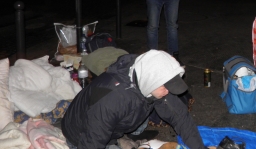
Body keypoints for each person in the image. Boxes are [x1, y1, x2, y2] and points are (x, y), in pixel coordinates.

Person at [61, 50, 210, 149]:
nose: (168, 91)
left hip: (118, 115)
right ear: (150, 80)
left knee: (154, 104)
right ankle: (117, 139)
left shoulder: (150, 77)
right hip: (81, 135)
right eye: (165, 86)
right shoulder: (111, 99)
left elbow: (181, 118)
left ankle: (122, 136)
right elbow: (92, 142)